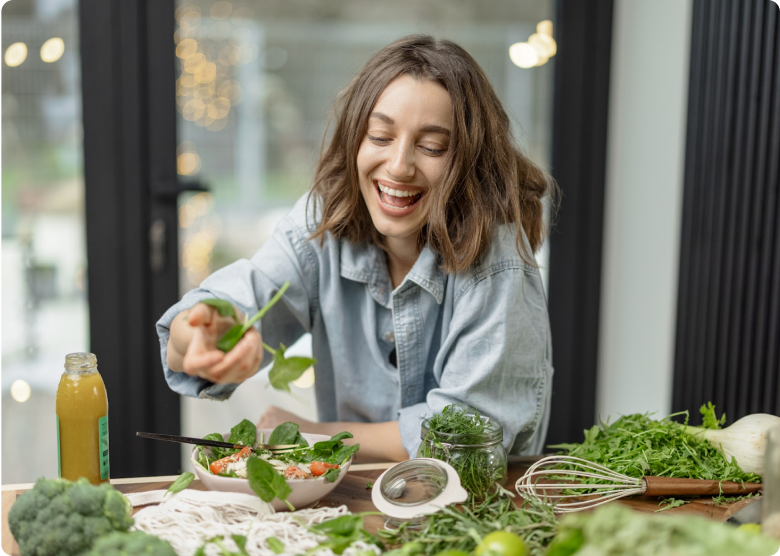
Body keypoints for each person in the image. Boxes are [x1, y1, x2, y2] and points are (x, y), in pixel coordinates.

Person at [158, 34, 556, 463]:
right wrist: (204, 334)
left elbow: (467, 440)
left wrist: (317, 435)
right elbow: (219, 314)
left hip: (472, 513)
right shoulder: (322, 222)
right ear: (355, 141)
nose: (400, 166)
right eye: (380, 137)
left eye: (432, 147)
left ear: (470, 162)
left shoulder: (498, 264)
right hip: (351, 506)